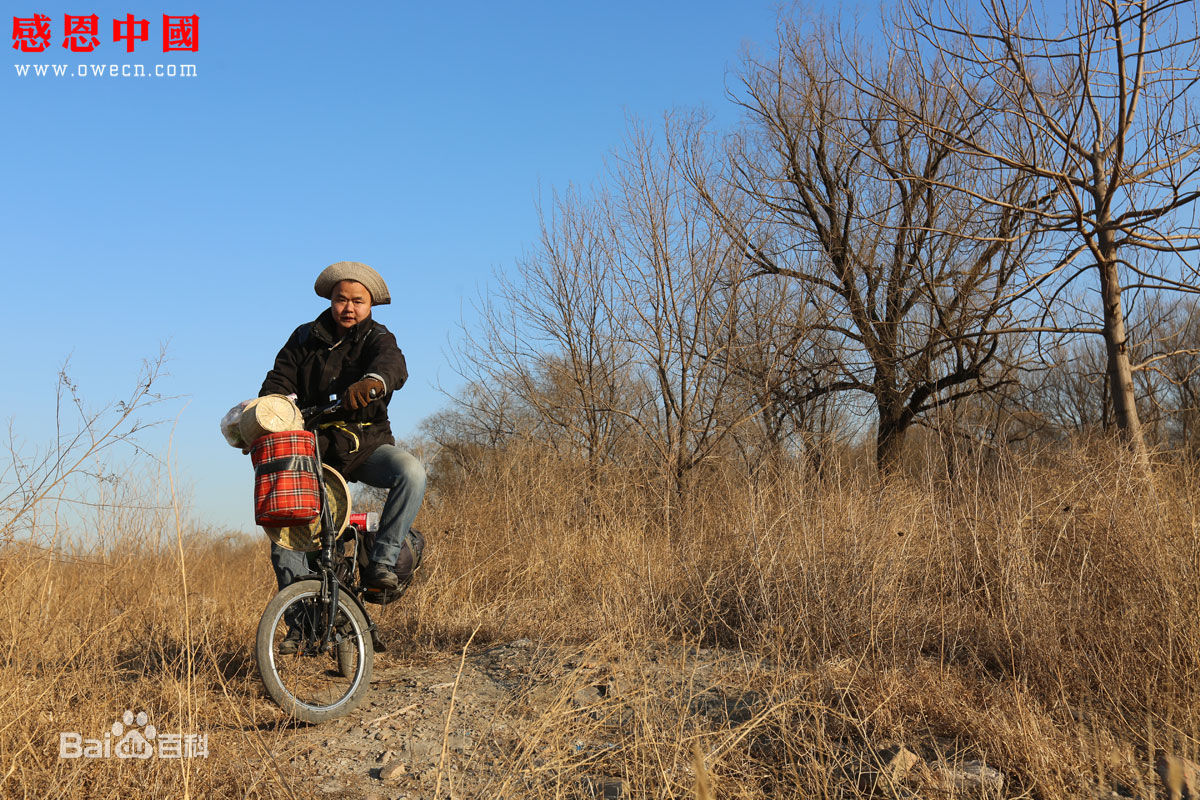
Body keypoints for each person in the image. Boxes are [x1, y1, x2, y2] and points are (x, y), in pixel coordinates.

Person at [259, 261, 426, 602]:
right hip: (313, 449)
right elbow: (278, 382)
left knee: (411, 472)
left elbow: (393, 367)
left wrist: (373, 383)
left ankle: (383, 561)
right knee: (287, 537)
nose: (348, 307)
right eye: (340, 299)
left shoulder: (379, 338)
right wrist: (268, 409)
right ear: (330, 300)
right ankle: (298, 621)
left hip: (365, 444)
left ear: (370, 305)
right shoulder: (304, 337)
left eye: (357, 301)